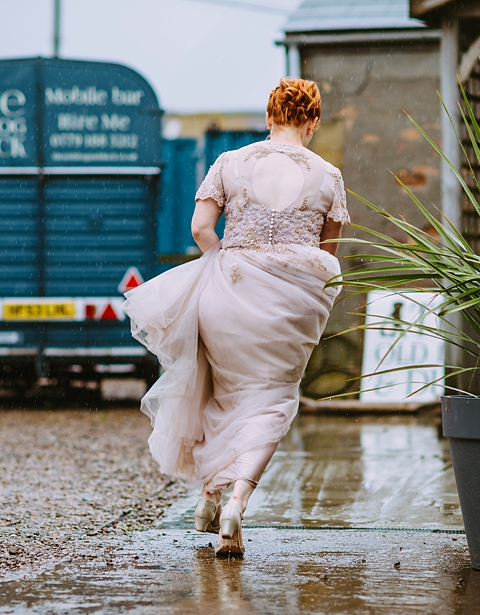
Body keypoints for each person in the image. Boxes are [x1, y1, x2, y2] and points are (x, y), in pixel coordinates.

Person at [124, 78, 349, 557]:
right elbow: (325, 257)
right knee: (273, 403)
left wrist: (229, 262)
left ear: (269, 118)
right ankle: (237, 501)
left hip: (228, 294)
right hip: (289, 308)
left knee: (221, 396)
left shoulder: (230, 162)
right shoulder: (328, 176)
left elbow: (200, 229)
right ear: (312, 122)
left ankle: (209, 495)